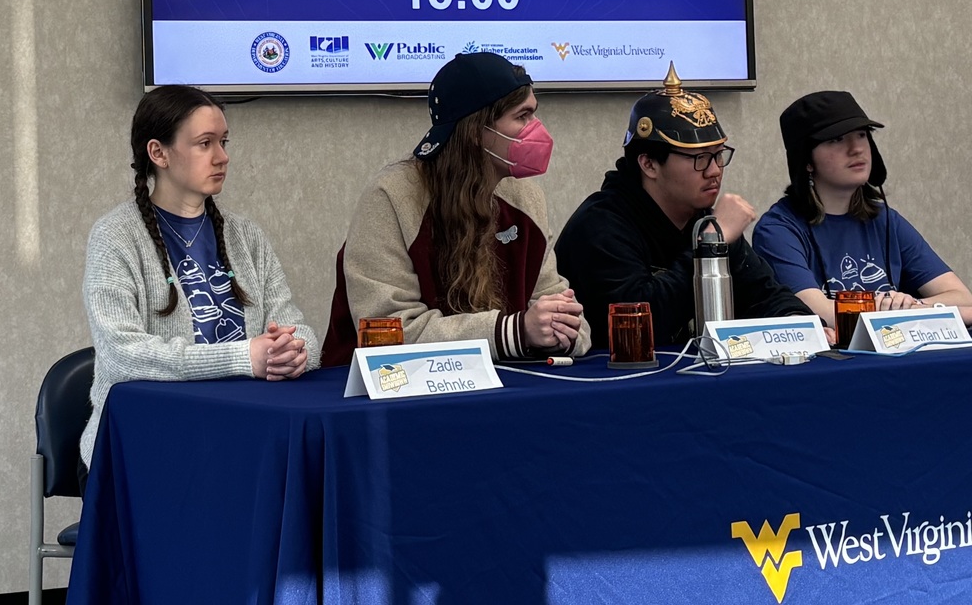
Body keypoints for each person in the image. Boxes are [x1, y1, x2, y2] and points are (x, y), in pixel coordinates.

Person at [80, 85, 319, 483]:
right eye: (205, 143)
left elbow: (300, 331)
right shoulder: (115, 237)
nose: (222, 157)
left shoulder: (246, 236)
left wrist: (294, 353)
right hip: (145, 448)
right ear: (158, 153)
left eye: (224, 142)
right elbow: (124, 354)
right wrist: (245, 358)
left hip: (241, 440)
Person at [322, 51, 591, 366]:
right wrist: (514, 332)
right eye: (522, 116)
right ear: (476, 131)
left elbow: (571, 320)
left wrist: (561, 330)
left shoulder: (526, 199)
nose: (537, 129)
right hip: (383, 389)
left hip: (501, 384)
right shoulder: (391, 197)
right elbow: (389, 332)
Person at [555, 63, 813, 348]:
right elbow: (638, 326)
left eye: (718, 155)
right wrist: (709, 246)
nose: (714, 171)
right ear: (649, 164)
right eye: (699, 158)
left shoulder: (705, 220)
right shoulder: (600, 225)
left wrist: (801, 324)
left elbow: (765, 295)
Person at [752, 90, 972, 326]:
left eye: (861, 135)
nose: (856, 148)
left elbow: (963, 299)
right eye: (836, 139)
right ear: (806, 161)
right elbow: (819, 313)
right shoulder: (777, 230)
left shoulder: (885, 220)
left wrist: (909, 306)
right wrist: (890, 308)